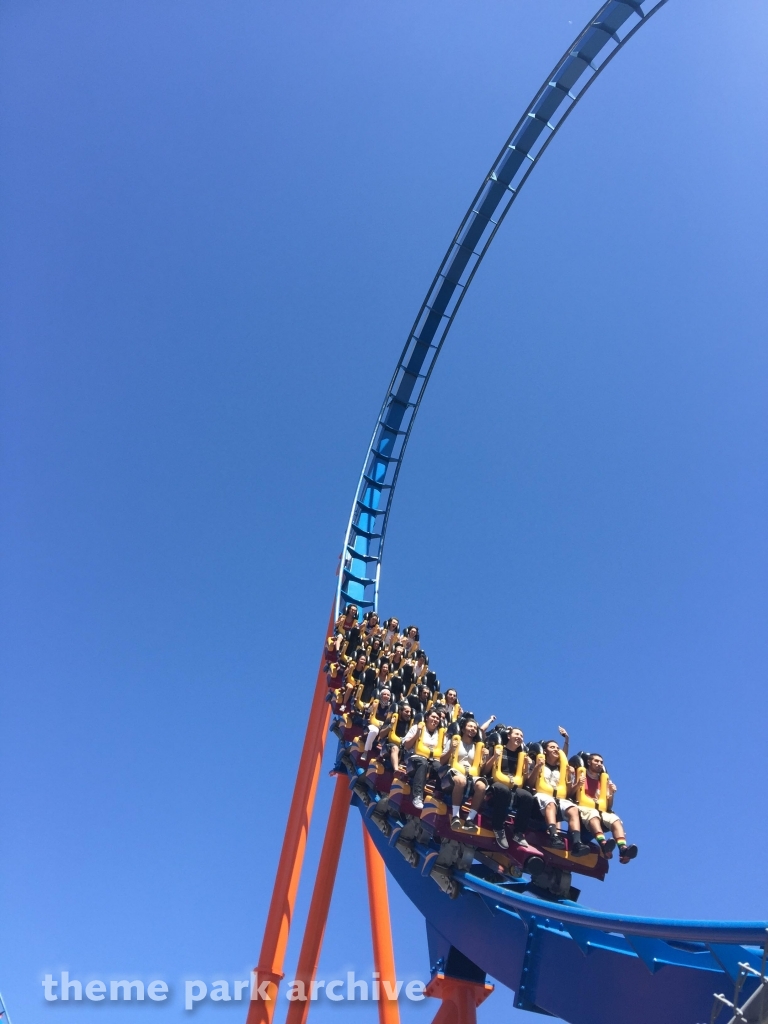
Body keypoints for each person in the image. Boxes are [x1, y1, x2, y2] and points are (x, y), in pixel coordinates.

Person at [526, 739, 591, 856]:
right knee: (550, 802)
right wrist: (537, 767)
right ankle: (554, 836)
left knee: (573, 808)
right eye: (552, 747)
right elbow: (529, 784)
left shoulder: (562, 769)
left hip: (559, 798)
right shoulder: (538, 763)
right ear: (545, 751)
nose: (556, 749)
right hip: (541, 797)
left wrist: (572, 779)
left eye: (557, 748)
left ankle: (577, 843)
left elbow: (568, 793)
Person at [573, 752, 637, 863]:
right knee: (593, 814)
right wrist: (578, 784)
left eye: (601, 762)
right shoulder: (580, 774)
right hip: (584, 808)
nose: (599, 764)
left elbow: (608, 806)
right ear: (589, 762)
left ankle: (623, 849)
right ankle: (603, 844)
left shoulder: (604, 781)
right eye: (596, 761)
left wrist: (611, 793)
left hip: (601, 810)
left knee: (615, 819)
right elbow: (569, 793)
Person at [482, 726, 538, 850]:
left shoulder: (522, 756)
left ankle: (519, 833)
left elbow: (525, 781)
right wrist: (494, 757)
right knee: (503, 790)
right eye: (516, 734)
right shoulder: (498, 749)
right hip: (497, 785)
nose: (519, 737)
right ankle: (498, 827)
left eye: (521, 736)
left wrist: (528, 767)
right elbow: (485, 771)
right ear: (508, 736)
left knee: (528, 797)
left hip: (514, 786)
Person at [439, 718, 488, 834]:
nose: (473, 729)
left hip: (471, 775)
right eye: (470, 726)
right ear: (463, 729)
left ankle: (470, 820)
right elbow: (441, 761)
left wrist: (485, 757)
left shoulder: (477, 747)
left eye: (475, 728)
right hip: (454, 772)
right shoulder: (455, 741)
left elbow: (482, 769)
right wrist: (451, 749)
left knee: (482, 786)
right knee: (461, 780)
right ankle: (455, 816)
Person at [402, 708, 444, 809]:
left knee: (442, 768)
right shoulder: (416, 727)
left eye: (437, 718)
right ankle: (417, 797)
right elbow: (406, 746)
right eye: (433, 717)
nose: (435, 720)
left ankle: (437, 796)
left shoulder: (440, 734)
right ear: (426, 718)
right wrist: (417, 733)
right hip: (415, 759)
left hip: (433, 761)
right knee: (423, 763)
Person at [378, 702, 414, 774]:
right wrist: (390, 725)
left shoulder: (410, 724)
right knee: (395, 748)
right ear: (400, 711)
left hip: (403, 748)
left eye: (410, 712)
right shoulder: (391, 719)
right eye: (406, 712)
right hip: (388, 746)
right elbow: (381, 735)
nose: (409, 714)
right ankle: (396, 770)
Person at [362, 687, 394, 758]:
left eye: (388, 695)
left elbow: (389, 720)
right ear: (381, 695)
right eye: (384, 694)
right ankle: (365, 752)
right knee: (374, 731)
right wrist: (371, 709)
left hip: (383, 727)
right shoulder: (376, 703)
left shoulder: (390, 708)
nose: (386, 696)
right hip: (372, 724)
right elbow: (367, 713)